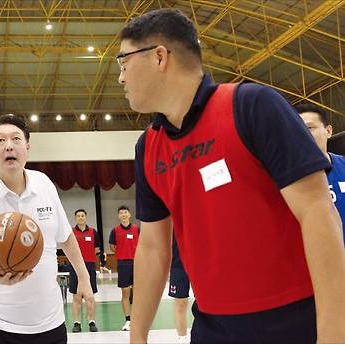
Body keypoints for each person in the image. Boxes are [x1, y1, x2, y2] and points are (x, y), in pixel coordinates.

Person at [117, 8, 345, 343]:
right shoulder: (148, 147)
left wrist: (333, 332)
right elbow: (153, 247)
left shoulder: (252, 106)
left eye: (123, 62)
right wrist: (137, 337)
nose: (121, 77)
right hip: (212, 326)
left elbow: (318, 213)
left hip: (293, 320)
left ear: (159, 56)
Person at [0, 114, 94, 344]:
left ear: (27, 148)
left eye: (16, 139)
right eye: (0, 140)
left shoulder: (44, 183)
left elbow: (66, 237)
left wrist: (83, 277)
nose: (9, 145)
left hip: (50, 321)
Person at [296, 103, 345, 245]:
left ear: (328, 131)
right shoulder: (286, 181)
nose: (303, 135)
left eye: (309, 128)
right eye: (297, 130)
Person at [108, 205, 139, 331]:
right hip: (123, 264)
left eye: (125, 212)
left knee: (137, 293)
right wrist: (123, 253)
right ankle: (128, 320)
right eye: (121, 213)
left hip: (137, 263)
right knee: (125, 293)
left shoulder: (137, 229)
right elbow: (112, 247)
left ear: (129, 214)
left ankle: (138, 319)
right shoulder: (115, 230)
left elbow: (143, 244)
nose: (123, 214)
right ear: (118, 216)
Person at [69, 209, 99, 333]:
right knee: (76, 296)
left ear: (86, 217)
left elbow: (96, 249)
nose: (80, 218)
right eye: (78, 216)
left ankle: (92, 321)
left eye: (82, 216)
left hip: (89, 266)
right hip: (75, 266)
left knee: (90, 296)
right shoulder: (70, 232)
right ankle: (77, 323)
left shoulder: (93, 232)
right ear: (75, 218)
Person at [168, 236, 190, 343]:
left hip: (201, 264)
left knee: (203, 303)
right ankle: (182, 338)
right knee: (180, 303)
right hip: (178, 265)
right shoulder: (172, 220)